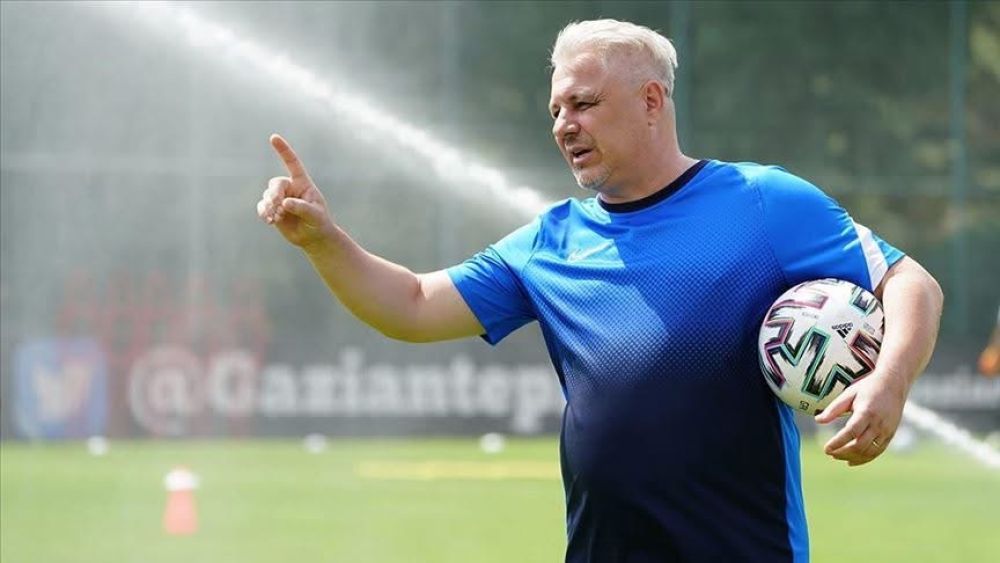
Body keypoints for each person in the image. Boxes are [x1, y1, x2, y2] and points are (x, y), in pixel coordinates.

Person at [257, 19, 944, 563]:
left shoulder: (763, 201)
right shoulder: (549, 241)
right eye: (556, 109)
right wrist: (324, 240)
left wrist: (889, 382)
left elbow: (910, 281)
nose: (564, 124)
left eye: (583, 103)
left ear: (651, 102)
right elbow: (410, 305)